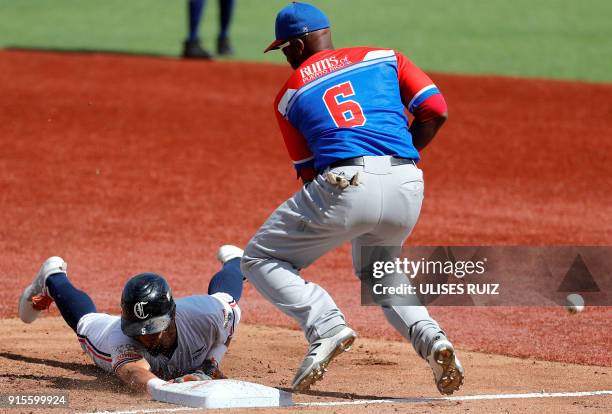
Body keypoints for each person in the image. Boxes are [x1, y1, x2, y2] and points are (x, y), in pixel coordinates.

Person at [240, 2, 464, 395]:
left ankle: (325, 325)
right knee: (378, 271)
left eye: (285, 49)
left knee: (261, 258)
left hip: (346, 182)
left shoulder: (289, 94)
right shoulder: (386, 57)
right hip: (407, 183)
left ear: (298, 43)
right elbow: (436, 110)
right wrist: (395, 164)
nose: (286, 58)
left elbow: (310, 174)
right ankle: (433, 339)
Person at [18, 245, 245, 398]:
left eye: (154, 330)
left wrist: (212, 363)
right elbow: (133, 372)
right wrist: (163, 388)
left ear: (172, 315)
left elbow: (230, 319)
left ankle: (235, 260)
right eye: (139, 330)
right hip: (105, 336)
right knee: (85, 322)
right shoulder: (120, 336)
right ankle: (53, 276)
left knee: (224, 296)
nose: (145, 337)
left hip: (201, 311)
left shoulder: (205, 314)